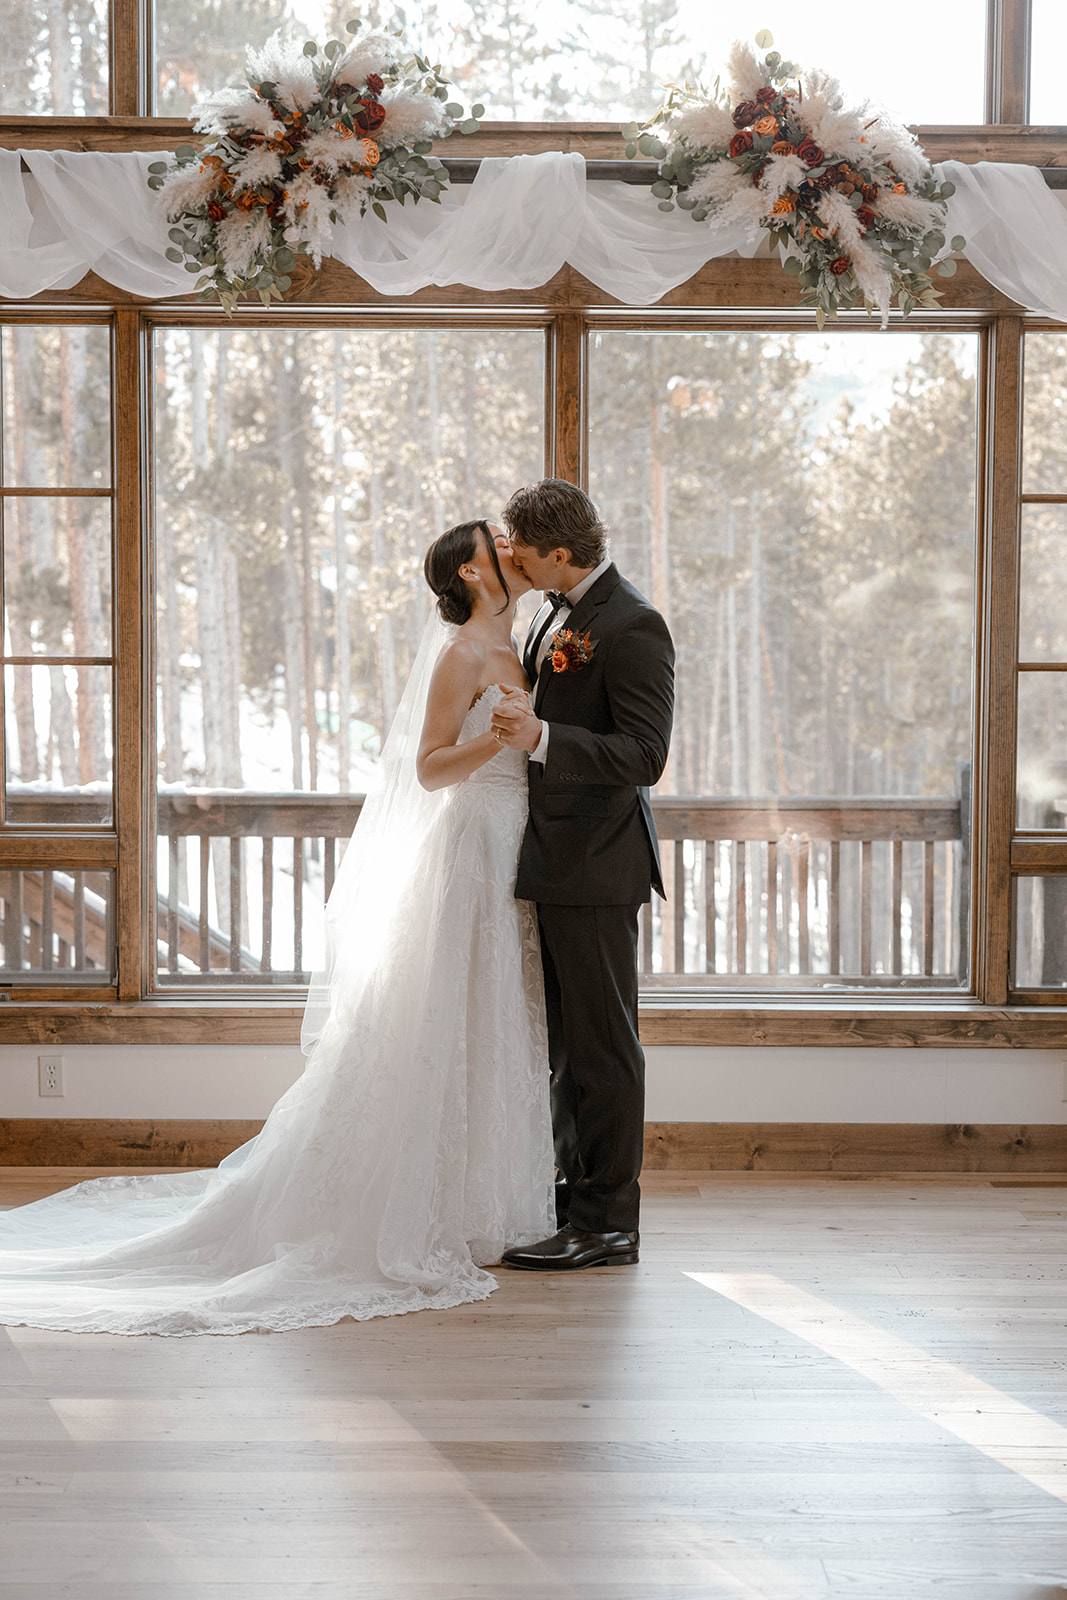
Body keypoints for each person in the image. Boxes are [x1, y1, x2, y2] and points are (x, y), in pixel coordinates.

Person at [0, 522, 555, 1336]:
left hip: (514, 851)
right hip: (470, 849)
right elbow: (430, 767)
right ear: (473, 571)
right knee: (445, 1021)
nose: (512, 548)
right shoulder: (463, 653)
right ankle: (400, 1208)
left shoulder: (525, 641)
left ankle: (483, 1203)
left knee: (494, 1025)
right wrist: (493, 744)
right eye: (496, 543)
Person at [489, 479, 675, 1272]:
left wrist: (541, 737)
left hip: (598, 863)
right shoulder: (547, 612)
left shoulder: (632, 625)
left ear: (560, 554)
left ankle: (608, 1225)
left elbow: (644, 756)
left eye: (524, 553)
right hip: (550, 857)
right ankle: (573, 1202)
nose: (514, 562)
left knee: (603, 1049)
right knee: (566, 1047)